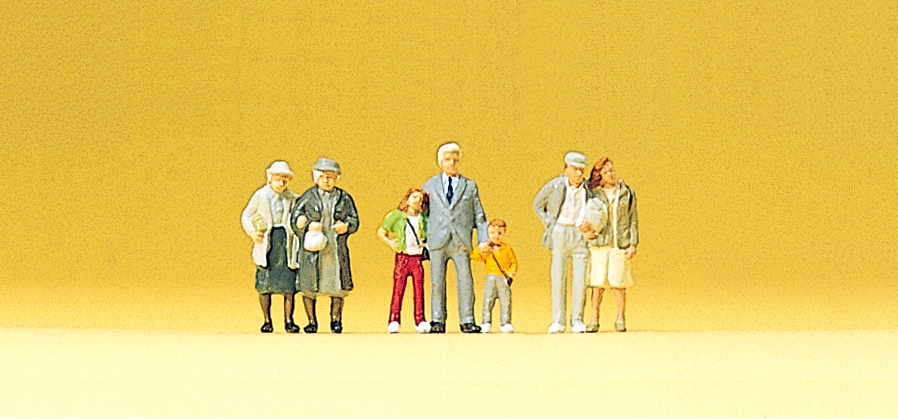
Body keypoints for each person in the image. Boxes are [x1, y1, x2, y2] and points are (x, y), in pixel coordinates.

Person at [422, 142, 490, 333]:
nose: (451, 163)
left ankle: (467, 319)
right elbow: (423, 216)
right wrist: (421, 240)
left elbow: (479, 216)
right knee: (437, 282)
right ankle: (437, 319)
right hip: (437, 241)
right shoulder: (430, 185)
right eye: (447, 159)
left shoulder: (469, 186)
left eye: (455, 159)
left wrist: (483, 240)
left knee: (466, 281)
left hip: (461, 242)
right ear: (440, 162)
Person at [290, 158, 359, 334]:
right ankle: (311, 321)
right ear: (316, 178)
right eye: (323, 177)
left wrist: (346, 226)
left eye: (331, 177)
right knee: (309, 286)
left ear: (336, 178)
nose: (327, 180)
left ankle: (336, 320)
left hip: (335, 250)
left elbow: (354, 219)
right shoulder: (308, 196)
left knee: (337, 287)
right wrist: (305, 225)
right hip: (313, 250)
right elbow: (295, 217)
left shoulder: (344, 197)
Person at [532, 152, 593, 333]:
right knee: (558, 278)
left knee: (581, 280)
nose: (579, 174)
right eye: (575, 169)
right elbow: (537, 204)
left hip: (580, 235)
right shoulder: (555, 185)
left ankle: (577, 320)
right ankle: (558, 320)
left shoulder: (588, 189)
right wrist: (550, 223)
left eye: (581, 170)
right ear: (566, 168)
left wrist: (591, 225)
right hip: (560, 232)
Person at [241, 161, 301, 333]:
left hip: (286, 241)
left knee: (289, 286)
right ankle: (267, 320)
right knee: (265, 285)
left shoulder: (292, 197)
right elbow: (246, 215)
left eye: (285, 180)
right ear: (270, 179)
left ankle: (289, 320)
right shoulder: (260, 196)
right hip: (268, 241)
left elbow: (300, 215)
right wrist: (252, 232)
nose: (281, 183)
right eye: (278, 179)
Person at [582, 157, 638, 332]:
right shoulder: (594, 194)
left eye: (612, 170)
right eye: (606, 172)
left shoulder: (627, 192)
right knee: (597, 283)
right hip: (599, 242)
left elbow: (633, 220)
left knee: (618, 283)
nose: (611, 174)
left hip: (620, 243)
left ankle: (621, 317)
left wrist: (632, 244)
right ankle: (594, 318)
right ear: (600, 175)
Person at [377, 188, 432, 334]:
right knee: (398, 290)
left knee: (419, 291)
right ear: (407, 199)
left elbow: (427, 234)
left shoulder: (423, 218)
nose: (417, 201)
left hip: (417, 258)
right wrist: (390, 242)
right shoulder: (397, 215)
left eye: (420, 199)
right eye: (414, 197)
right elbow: (381, 231)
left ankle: (420, 320)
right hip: (402, 257)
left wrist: (425, 243)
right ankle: (394, 319)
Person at [471, 219, 518, 333]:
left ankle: (506, 323)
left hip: (503, 278)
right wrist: (479, 249)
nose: (496, 236)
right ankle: (486, 322)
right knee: (487, 301)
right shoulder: (487, 248)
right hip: (491, 278)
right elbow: (476, 257)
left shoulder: (507, 248)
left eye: (500, 233)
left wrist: (511, 273)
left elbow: (514, 262)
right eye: (492, 233)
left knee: (506, 302)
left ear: (504, 233)